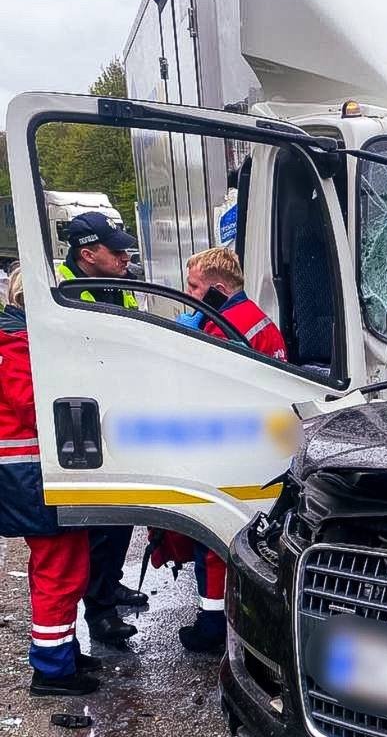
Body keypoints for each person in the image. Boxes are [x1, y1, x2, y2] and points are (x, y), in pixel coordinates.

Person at [174, 246, 287, 653]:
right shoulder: (253, 317)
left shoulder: (225, 325)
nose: (188, 294)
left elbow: (201, 385)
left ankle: (213, 624)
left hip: (228, 442)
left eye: (194, 287)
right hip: (253, 438)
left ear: (219, 289)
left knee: (212, 538)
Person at [0, 270, 100, 695]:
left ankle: (62, 649)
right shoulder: (20, 346)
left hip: (33, 475)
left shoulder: (16, 341)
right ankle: (52, 668)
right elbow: (35, 404)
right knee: (58, 571)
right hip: (30, 476)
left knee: (65, 566)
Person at [58, 212, 146, 647]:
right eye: (117, 251)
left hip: (117, 412)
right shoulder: (60, 288)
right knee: (99, 521)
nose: (126, 257)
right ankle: (100, 611)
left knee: (124, 513)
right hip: (84, 420)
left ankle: (110, 585)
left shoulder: (114, 282)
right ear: (87, 254)